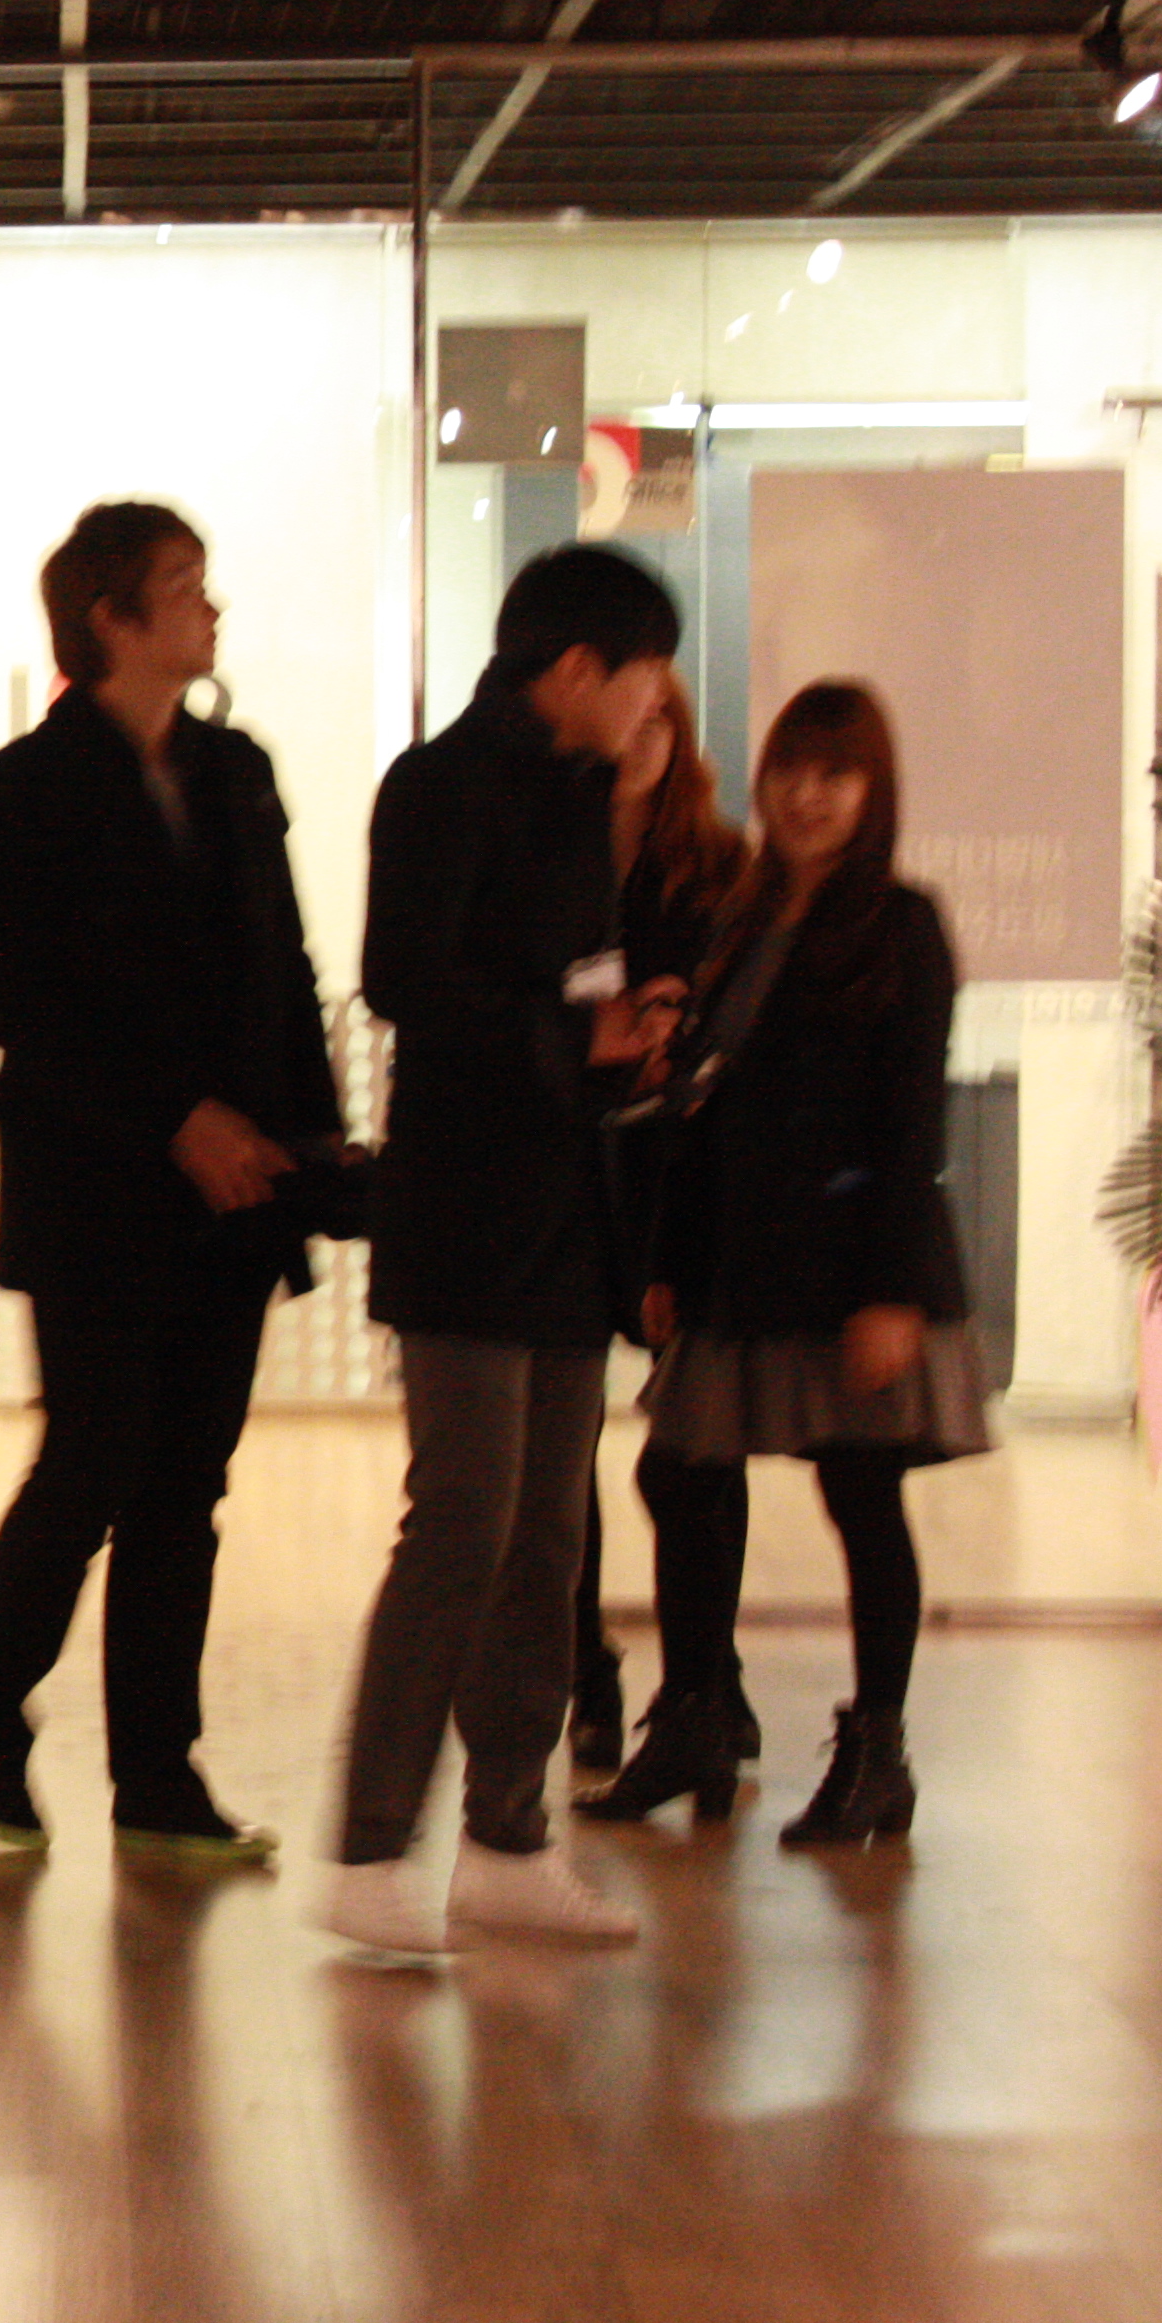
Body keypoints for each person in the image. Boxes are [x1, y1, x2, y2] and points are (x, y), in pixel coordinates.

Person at [0, 502, 344, 1859]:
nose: (211, 607)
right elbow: (21, 1004)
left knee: (187, 1485)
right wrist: (177, 1118)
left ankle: (158, 1775)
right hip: (98, 1188)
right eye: (184, 586)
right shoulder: (22, 790)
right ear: (111, 617)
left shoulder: (236, 769)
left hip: (234, 1191)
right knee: (94, 1460)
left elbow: (284, 966)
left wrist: (313, 1148)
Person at [313, 546, 682, 1958]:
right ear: (577, 667)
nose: (654, 705)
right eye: (644, 675)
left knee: (548, 1538)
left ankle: (507, 1840)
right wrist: (570, 1033)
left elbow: (576, 972)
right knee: (462, 1520)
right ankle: (368, 1846)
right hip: (464, 1206)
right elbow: (404, 979)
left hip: (565, 1208)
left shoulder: (583, 796)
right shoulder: (439, 784)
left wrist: (617, 1028)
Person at [580, 679, 985, 1845]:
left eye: (835, 775)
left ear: (873, 791)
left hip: (850, 1264)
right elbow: (701, 1111)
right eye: (791, 771)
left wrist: (891, 1291)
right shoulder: (744, 915)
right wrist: (668, 1258)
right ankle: (698, 1713)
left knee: (861, 1495)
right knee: (681, 1471)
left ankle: (878, 1752)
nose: (807, 796)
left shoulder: (901, 924)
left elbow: (912, 1122)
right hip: (741, 1259)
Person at [566, 668, 759, 1777]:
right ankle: (584, 1669)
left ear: (682, 735)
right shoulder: (553, 849)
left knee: (696, 1440)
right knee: (564, 1441)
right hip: (574, 1157)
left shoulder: (723, 862)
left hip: (685, 1166)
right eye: (628, 714)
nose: (641, 735)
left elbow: (745, 1011)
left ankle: (709, 1677)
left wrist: (681, 1026)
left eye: (661, 719)